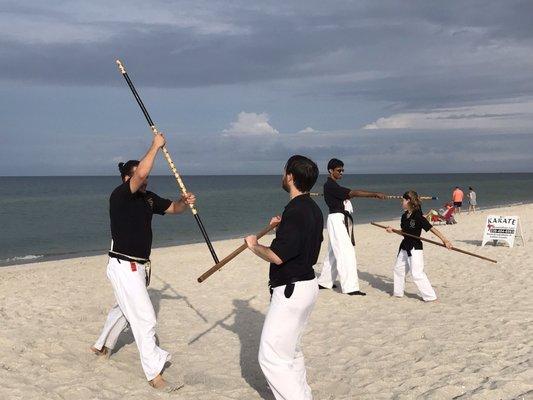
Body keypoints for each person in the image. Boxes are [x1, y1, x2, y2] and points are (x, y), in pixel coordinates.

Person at [90, 132, 195, 391]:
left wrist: (183, 202)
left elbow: (172, 209)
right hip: (123, 264)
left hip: (139, 267)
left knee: (124, 310)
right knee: (146, 319)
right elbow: (139, 175)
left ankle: (101, 345)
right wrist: (155, 147)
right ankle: (154, 374)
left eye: (147, 177)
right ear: (128, 178)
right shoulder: (120, 195)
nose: (146, 179)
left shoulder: (148, 198)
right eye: (141, 176)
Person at [245, 155, 323, 400]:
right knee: (291, 352)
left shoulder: (295, 210)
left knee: (271, 357)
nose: (282, 175)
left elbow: (277, 256)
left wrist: (253, 245)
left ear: (290, 176)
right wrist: (282, 229)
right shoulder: (312, 208)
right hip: (306, 285)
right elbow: (299, 242)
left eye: (284, 172)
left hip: (292, 290)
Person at [317, 158, 386, 296]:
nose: (341, 172)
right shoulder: (330, 186)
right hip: (336, 219)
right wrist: (374, 194)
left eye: (342, 170)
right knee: (346, 252)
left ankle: (324, 281)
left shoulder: (332, 186)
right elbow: (353, 193)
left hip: (338, 219)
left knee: (333, 251)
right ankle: (350, 287)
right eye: (339, 170)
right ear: (331, 171)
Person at [386, 191, 453, 302]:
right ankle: (398, 293)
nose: (401, 202)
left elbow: (432, 229)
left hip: (415, 247)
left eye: (403, 200)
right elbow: (404, 232)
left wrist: (445, 240)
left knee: (417, 273)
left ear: (408, 201)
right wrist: (393, 231)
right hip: (404, 246)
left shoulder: (418, 216)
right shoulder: (404, 216)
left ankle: (430, 297)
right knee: (398, 270)